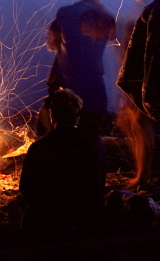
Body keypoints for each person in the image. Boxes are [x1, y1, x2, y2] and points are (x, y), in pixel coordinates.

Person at [19, 87, 105, 234]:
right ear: (77, 116)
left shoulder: (39, 147)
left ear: (52, 116)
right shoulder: (94, 143)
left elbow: (26, 188)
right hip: (86, 219)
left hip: (47, 222)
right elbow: (98, 183)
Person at [44, 0, 115, 134]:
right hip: (97, 94)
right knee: (91, 146)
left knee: (62, 144)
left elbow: (52, 45)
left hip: (70, 97)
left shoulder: (67, 13)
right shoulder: (108, 17)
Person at [116, 0, 157, 188]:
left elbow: (146, 47)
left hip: (140, 76)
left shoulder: (147, 9)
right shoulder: (140, 7)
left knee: (140, 125)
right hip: (134, 74)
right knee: (134, 125)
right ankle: (142, 174)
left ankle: (142, 177)